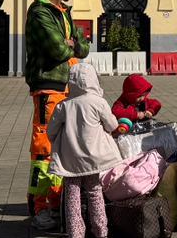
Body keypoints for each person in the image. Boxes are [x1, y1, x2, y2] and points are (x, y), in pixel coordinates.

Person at [24, 0, 89, 230]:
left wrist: (73, 43)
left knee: (63, 148)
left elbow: (82, 46)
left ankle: (55, 202)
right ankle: (41, 207)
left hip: (66, 87)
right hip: (48, 88)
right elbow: (58, 49)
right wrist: (69, 43)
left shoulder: (63, 12)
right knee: (44, 149)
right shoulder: (40, 12)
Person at [48, 62, 123, 238]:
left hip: (70, 159)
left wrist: (58, 140)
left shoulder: (64, 105)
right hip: (93, 158)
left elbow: (51, 130)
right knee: (95, 192)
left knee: (72, 196)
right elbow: (112, 125)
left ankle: (75, 233)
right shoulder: (99, 103)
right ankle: (101, 231)